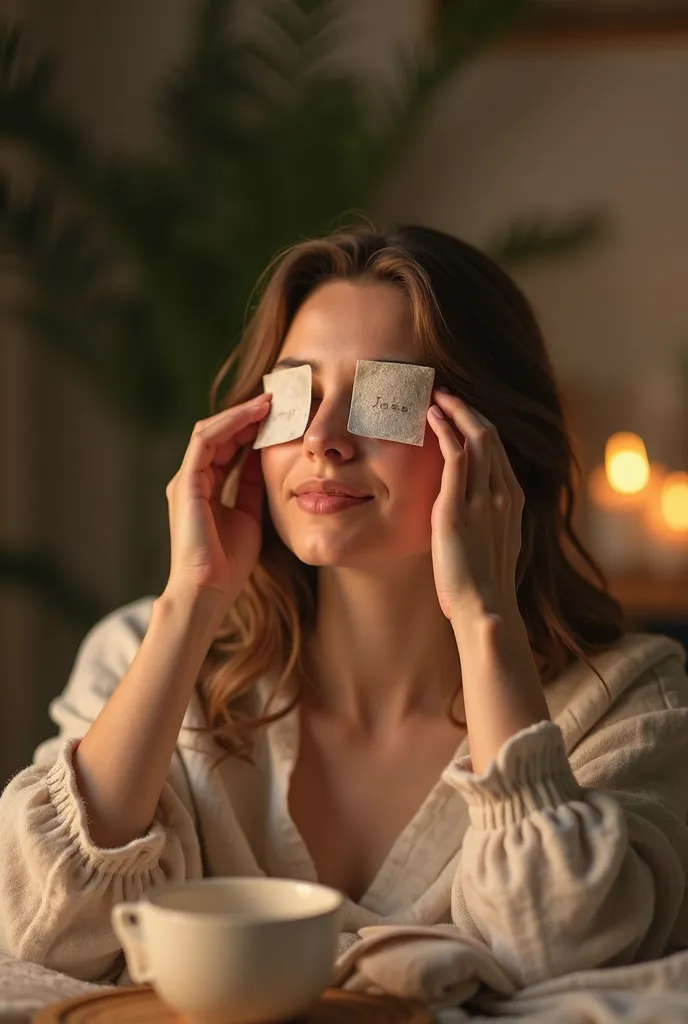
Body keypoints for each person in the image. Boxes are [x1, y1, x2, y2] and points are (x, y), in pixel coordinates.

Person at [1, 224, 688, 990]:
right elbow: (45, 932)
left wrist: (484, 619)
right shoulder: (140, 651)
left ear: (492, 443)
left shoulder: (630, 699)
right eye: (295, 394)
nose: (322, 440)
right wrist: (190, 601)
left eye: (384, 398)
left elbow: (565, 948)